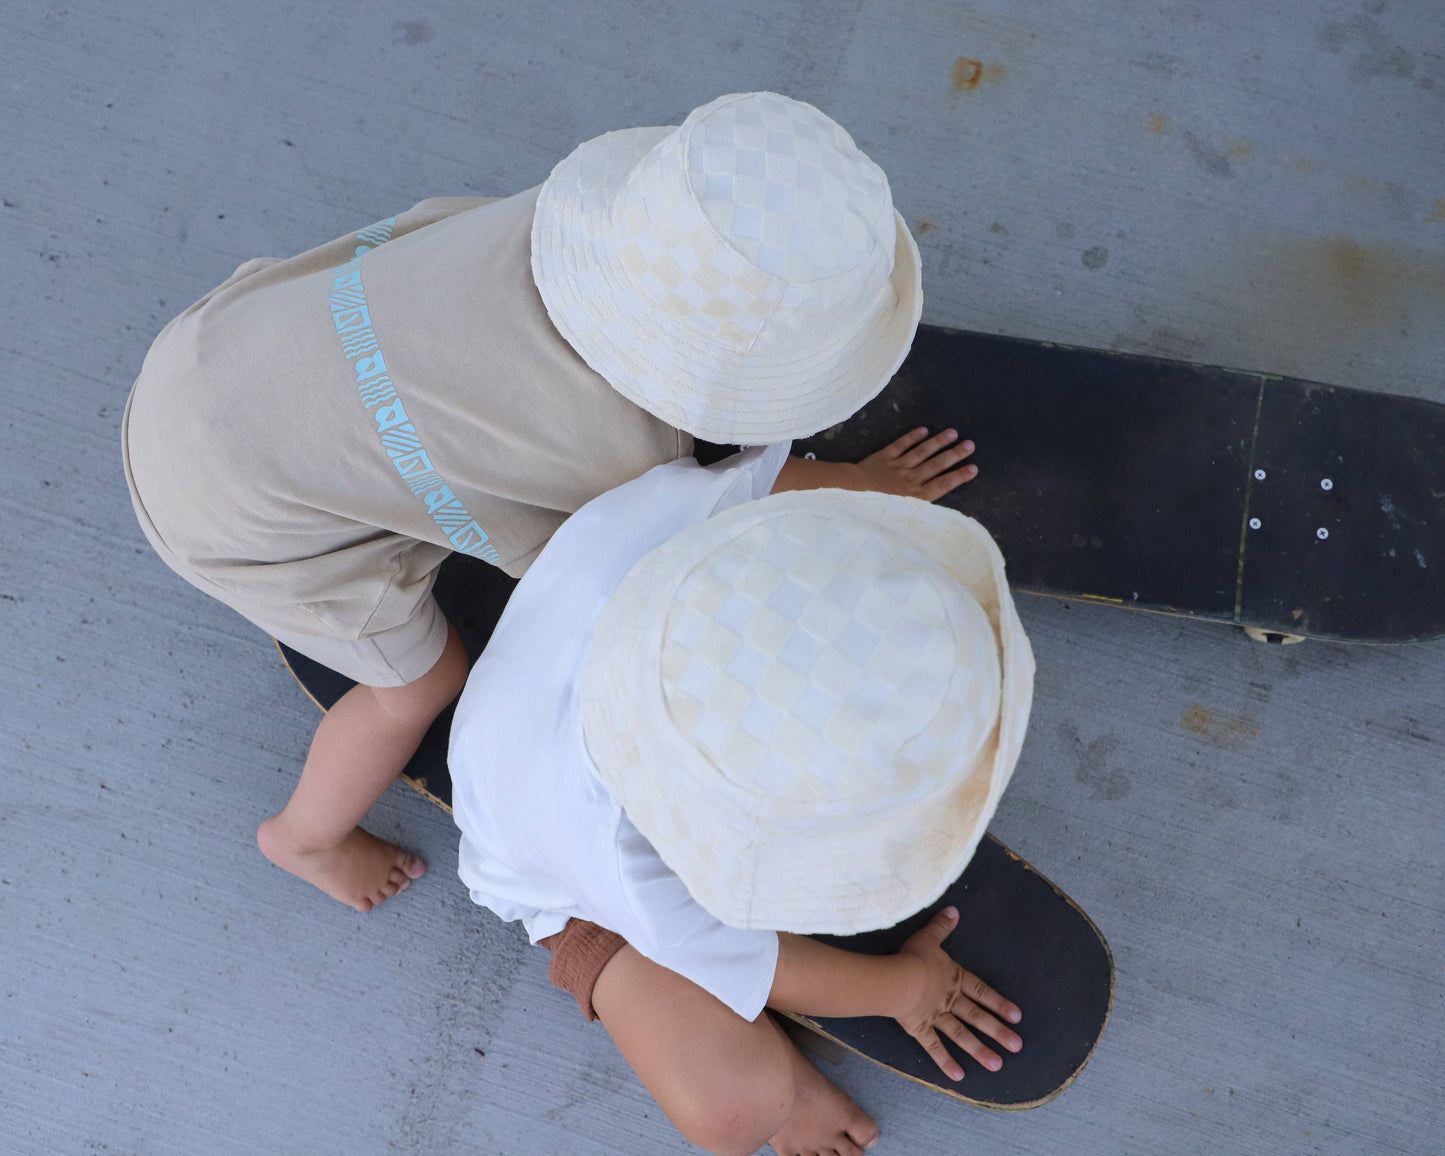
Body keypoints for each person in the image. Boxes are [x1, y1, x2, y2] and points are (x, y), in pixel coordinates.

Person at [120, 92, 978, 912]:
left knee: (397, 389)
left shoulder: (554, 222)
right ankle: (304, 839)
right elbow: (681, 519)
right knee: (419, 689)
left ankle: (376, 479)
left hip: (208, 355)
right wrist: (866, 485)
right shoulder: (599, 446)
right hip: (231, 523)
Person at [448, 446, 1035, 1155]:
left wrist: (859, 483)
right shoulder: (630, 858)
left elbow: (759, 479)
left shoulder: (664, 519)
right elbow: (764, 963)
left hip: (526, 730)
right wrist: (905, 989)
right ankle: (754, 1062)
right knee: (731, 1116)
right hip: (561, 883)